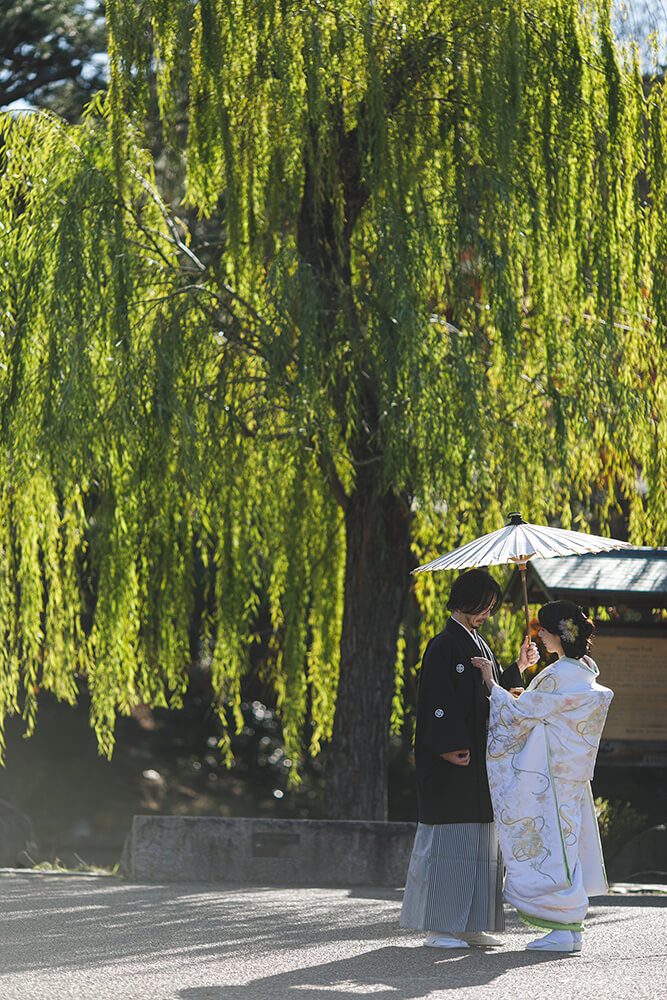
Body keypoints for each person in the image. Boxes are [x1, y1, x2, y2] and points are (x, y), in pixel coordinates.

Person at [400, 568, 539, 949]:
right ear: (465, 600)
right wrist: (446, 744)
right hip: (452, 759)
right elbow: (436, 703)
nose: (486, 614)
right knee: (452, 841)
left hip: (478, 760)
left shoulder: (478, 643)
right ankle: (440, 927)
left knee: (480, 841)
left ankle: (470, 923)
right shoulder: (444, 645)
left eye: (491, 607)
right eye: (483, 606)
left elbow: (488, 694)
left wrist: (517, 669)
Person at [472, 600, 613, 954]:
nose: (540, 636)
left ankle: (563, 928)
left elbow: (519, 715)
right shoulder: (582, 671)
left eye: (543, 631)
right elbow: (538, 708)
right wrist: (523, 681)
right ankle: (569, 926)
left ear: (558, 634)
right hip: (569, 777)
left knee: (550, 847)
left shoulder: (556, 675)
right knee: (564, 845)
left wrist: (491, 682)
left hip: (546, 776)